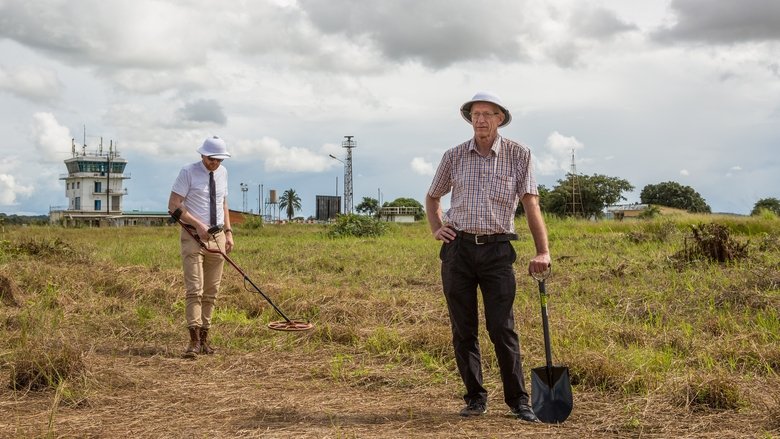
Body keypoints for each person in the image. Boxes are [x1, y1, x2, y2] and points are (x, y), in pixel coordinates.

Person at [425, 92, 551, 422]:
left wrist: (543, 251)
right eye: (475, 114)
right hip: (459, 251)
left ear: (500, 119)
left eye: (488, 114)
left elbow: (530, 205)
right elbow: (432, 196)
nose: (480, 120)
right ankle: (475, 398)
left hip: (497, 251)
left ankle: (519, 401)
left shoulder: (518, 154)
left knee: (502, 328)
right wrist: (438, 228)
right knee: (463, 329)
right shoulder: (453, 156)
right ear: (470, 120)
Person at [168, 136, 235, 359]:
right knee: (195, 289)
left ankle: (205, 339)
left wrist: (228, 232)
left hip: (217, 237)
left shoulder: (223, 174)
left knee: (211, 291)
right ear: (202, 155)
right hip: (192, 235)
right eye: (211, 159)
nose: (215, 163)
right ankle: (194, 341)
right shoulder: (187, 172)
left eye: (219, 160)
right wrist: (198, 225)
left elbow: (223, 204)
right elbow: (173, 206)